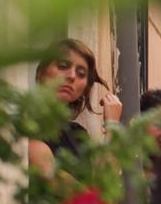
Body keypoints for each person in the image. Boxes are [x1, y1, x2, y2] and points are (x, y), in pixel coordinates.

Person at [26, 38, 122, 172]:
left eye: (81, 74)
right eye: (63, 66)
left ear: (84, 89)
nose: (72, 76)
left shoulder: (78, 135)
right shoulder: (26, 125)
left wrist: (112, 124)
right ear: (41, 72)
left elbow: (104, 185)